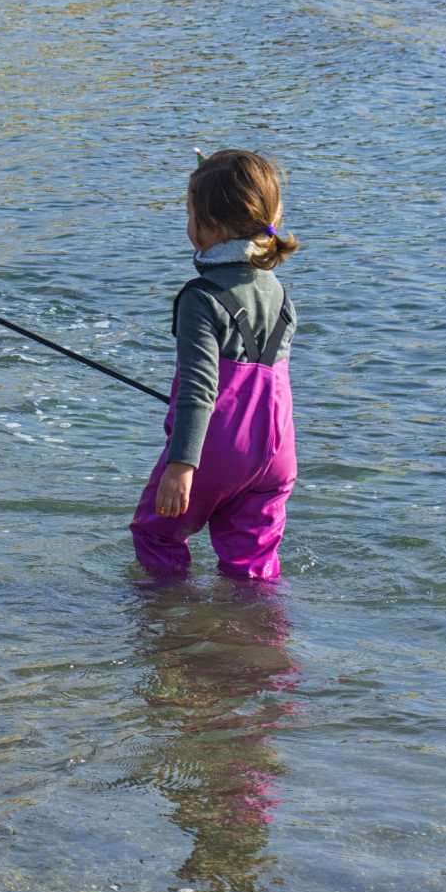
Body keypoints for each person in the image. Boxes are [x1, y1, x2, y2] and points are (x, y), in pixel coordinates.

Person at [130, 149, 299, 581]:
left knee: (156, 535)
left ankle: (174, 630)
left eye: (190, 214)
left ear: (212, 227)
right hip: (276, 451)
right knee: (252, 560)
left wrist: (181, 466)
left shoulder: (200, 298)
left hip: (214, 452)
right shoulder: (279, 293)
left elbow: (199, 389)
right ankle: (257, 637)